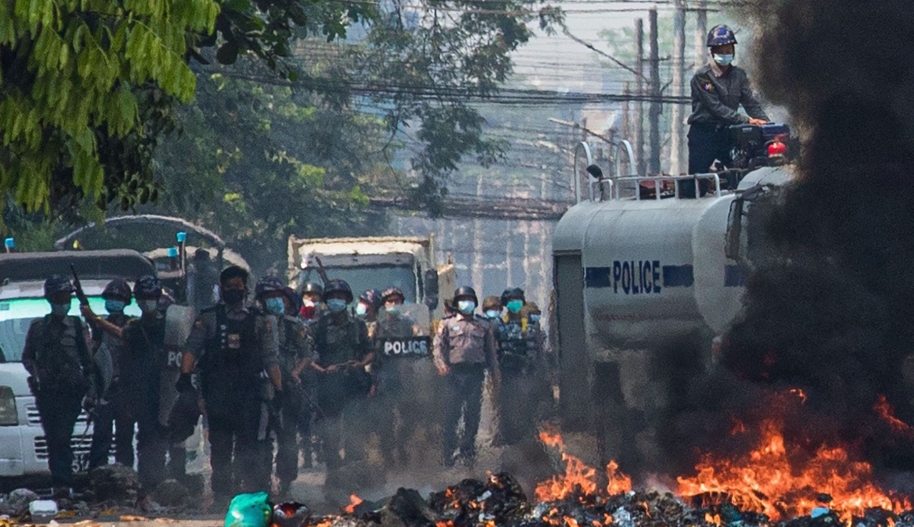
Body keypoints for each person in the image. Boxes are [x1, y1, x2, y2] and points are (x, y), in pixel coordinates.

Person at [179, 266, 283, 506]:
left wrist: (278, 390)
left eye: (238, 286)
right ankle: (222, 494)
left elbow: (270, 358)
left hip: (250, 394)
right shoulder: (208, 318)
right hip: (217, 394)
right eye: (229, 287)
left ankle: (248, 495)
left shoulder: (261, 320)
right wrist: (185, 377)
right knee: (221, 447)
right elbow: (191, 349)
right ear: (221, 289)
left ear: (246, 289)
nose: (234, 291)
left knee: (249, 446)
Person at [83, 276, 173, 496]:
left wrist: (94, 318)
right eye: (142, 297)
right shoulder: (137, 324)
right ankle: (121, 484)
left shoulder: (164, 323)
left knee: (150, 440)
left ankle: (149, 484)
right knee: (113, 438)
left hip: (160, 390)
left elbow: (123, 335)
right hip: (132, 391)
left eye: (150, 297)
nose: (146, 301)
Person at [21, 276, 96, 495]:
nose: (63, 302)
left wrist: (91, 391)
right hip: (47, 393)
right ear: (50, 299)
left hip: (71, 392)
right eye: (59, 298)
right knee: (53, 438)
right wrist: (36, 374)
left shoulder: (76, 326)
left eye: (66, 297)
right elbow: (27, 357)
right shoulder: (38, 327)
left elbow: (88, 362)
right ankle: (59, 482)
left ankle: (63, 481)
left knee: (62, 436)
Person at [685, 24, 770, 197]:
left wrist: (767, 124)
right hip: (704, 133)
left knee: (740, 173)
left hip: (729, 134)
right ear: (713, 51)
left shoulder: (739, 75)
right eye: (721, 49)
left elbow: (750, 103)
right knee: (697, 182)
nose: (725, 53)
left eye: (729, 49)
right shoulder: (702, 77)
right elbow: (716, 108)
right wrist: (747, 120)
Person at [254, 277, 314, 497]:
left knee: (287, 436)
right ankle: (261, 481)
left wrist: (296, 373)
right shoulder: (254, 323)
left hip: (287, 386)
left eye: (277, 297)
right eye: (269, 297)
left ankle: (285, 481)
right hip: (260, 386)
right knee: (261, 437)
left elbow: (307, 354)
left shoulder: (293, 325)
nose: (275, 301)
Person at [432, 286, 498, 467]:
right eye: (462, 299)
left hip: (475, 374)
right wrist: (441, 365)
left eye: (469, 299)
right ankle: (447, 453)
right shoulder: (446, 324)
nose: (466, 303)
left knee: (472, 414)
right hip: (454, 375)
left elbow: (491, 353)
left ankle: (468, 452)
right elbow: (438, 348)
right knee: (451, 415)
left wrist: (495, 375)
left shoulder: (483, 325)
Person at [310, 279, 372, 470]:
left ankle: (355, 471)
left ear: (347, 299)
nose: (336, 300)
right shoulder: (318, 327)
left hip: (354, 383)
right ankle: (334, 474)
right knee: (330, 433)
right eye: (332, 297)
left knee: (355, 429)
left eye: (340, 297)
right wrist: (323, 370)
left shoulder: (358, 326)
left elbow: (370, 351)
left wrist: (360, 363)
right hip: (328, 386)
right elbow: (307, 357)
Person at [373, 287, 423, 469]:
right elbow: (372, 352)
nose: (394, 305)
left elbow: (420, 345)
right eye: (390, 301)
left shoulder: (409, 324)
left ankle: (401, 445)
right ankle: (387, 455)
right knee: (385, 419)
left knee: (409, 416)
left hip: (405, 375)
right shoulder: (377, 325)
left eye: (397, 301)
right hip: (385, 376)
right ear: (384, 305)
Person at [88, 279, 135, 470]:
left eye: (118, 298)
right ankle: (97, 475)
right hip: (104, 389)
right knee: (101, 435)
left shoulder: (132, 325)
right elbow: (94, 355)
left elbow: (124, 337)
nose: (114, 301)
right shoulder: (98, 326)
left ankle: (125, 475)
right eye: (111, 297)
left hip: (125, 389)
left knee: (124, 437)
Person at [493, 288, 548, 447]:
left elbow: (538, 350)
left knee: (529, 407)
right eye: (511, 300)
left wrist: (542, 372)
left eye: (517, 300)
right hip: (508, 373)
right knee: (508, 409)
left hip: (528, 372)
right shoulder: (498, 325)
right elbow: (492, 350)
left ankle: (530, 440)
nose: (514, 303)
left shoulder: (531, 325)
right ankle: (509, 441)